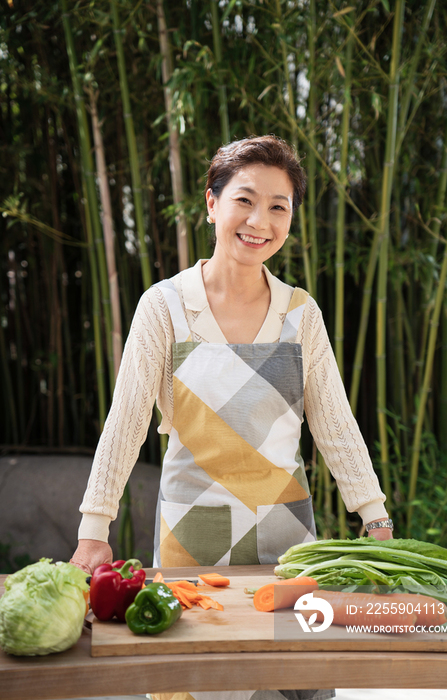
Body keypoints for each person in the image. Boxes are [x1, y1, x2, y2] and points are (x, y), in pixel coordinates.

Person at [71, 135, 393, 700]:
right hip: (191, 548)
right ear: (212, 203)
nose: (259, 221)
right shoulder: (165, 307)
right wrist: (93, 529)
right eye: (245, 200)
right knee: (201, 686)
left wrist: (375, 516)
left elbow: (336, 425)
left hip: (289, 544)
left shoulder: (302, 314)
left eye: (278, 206)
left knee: (296, 686)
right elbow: (124, 425)